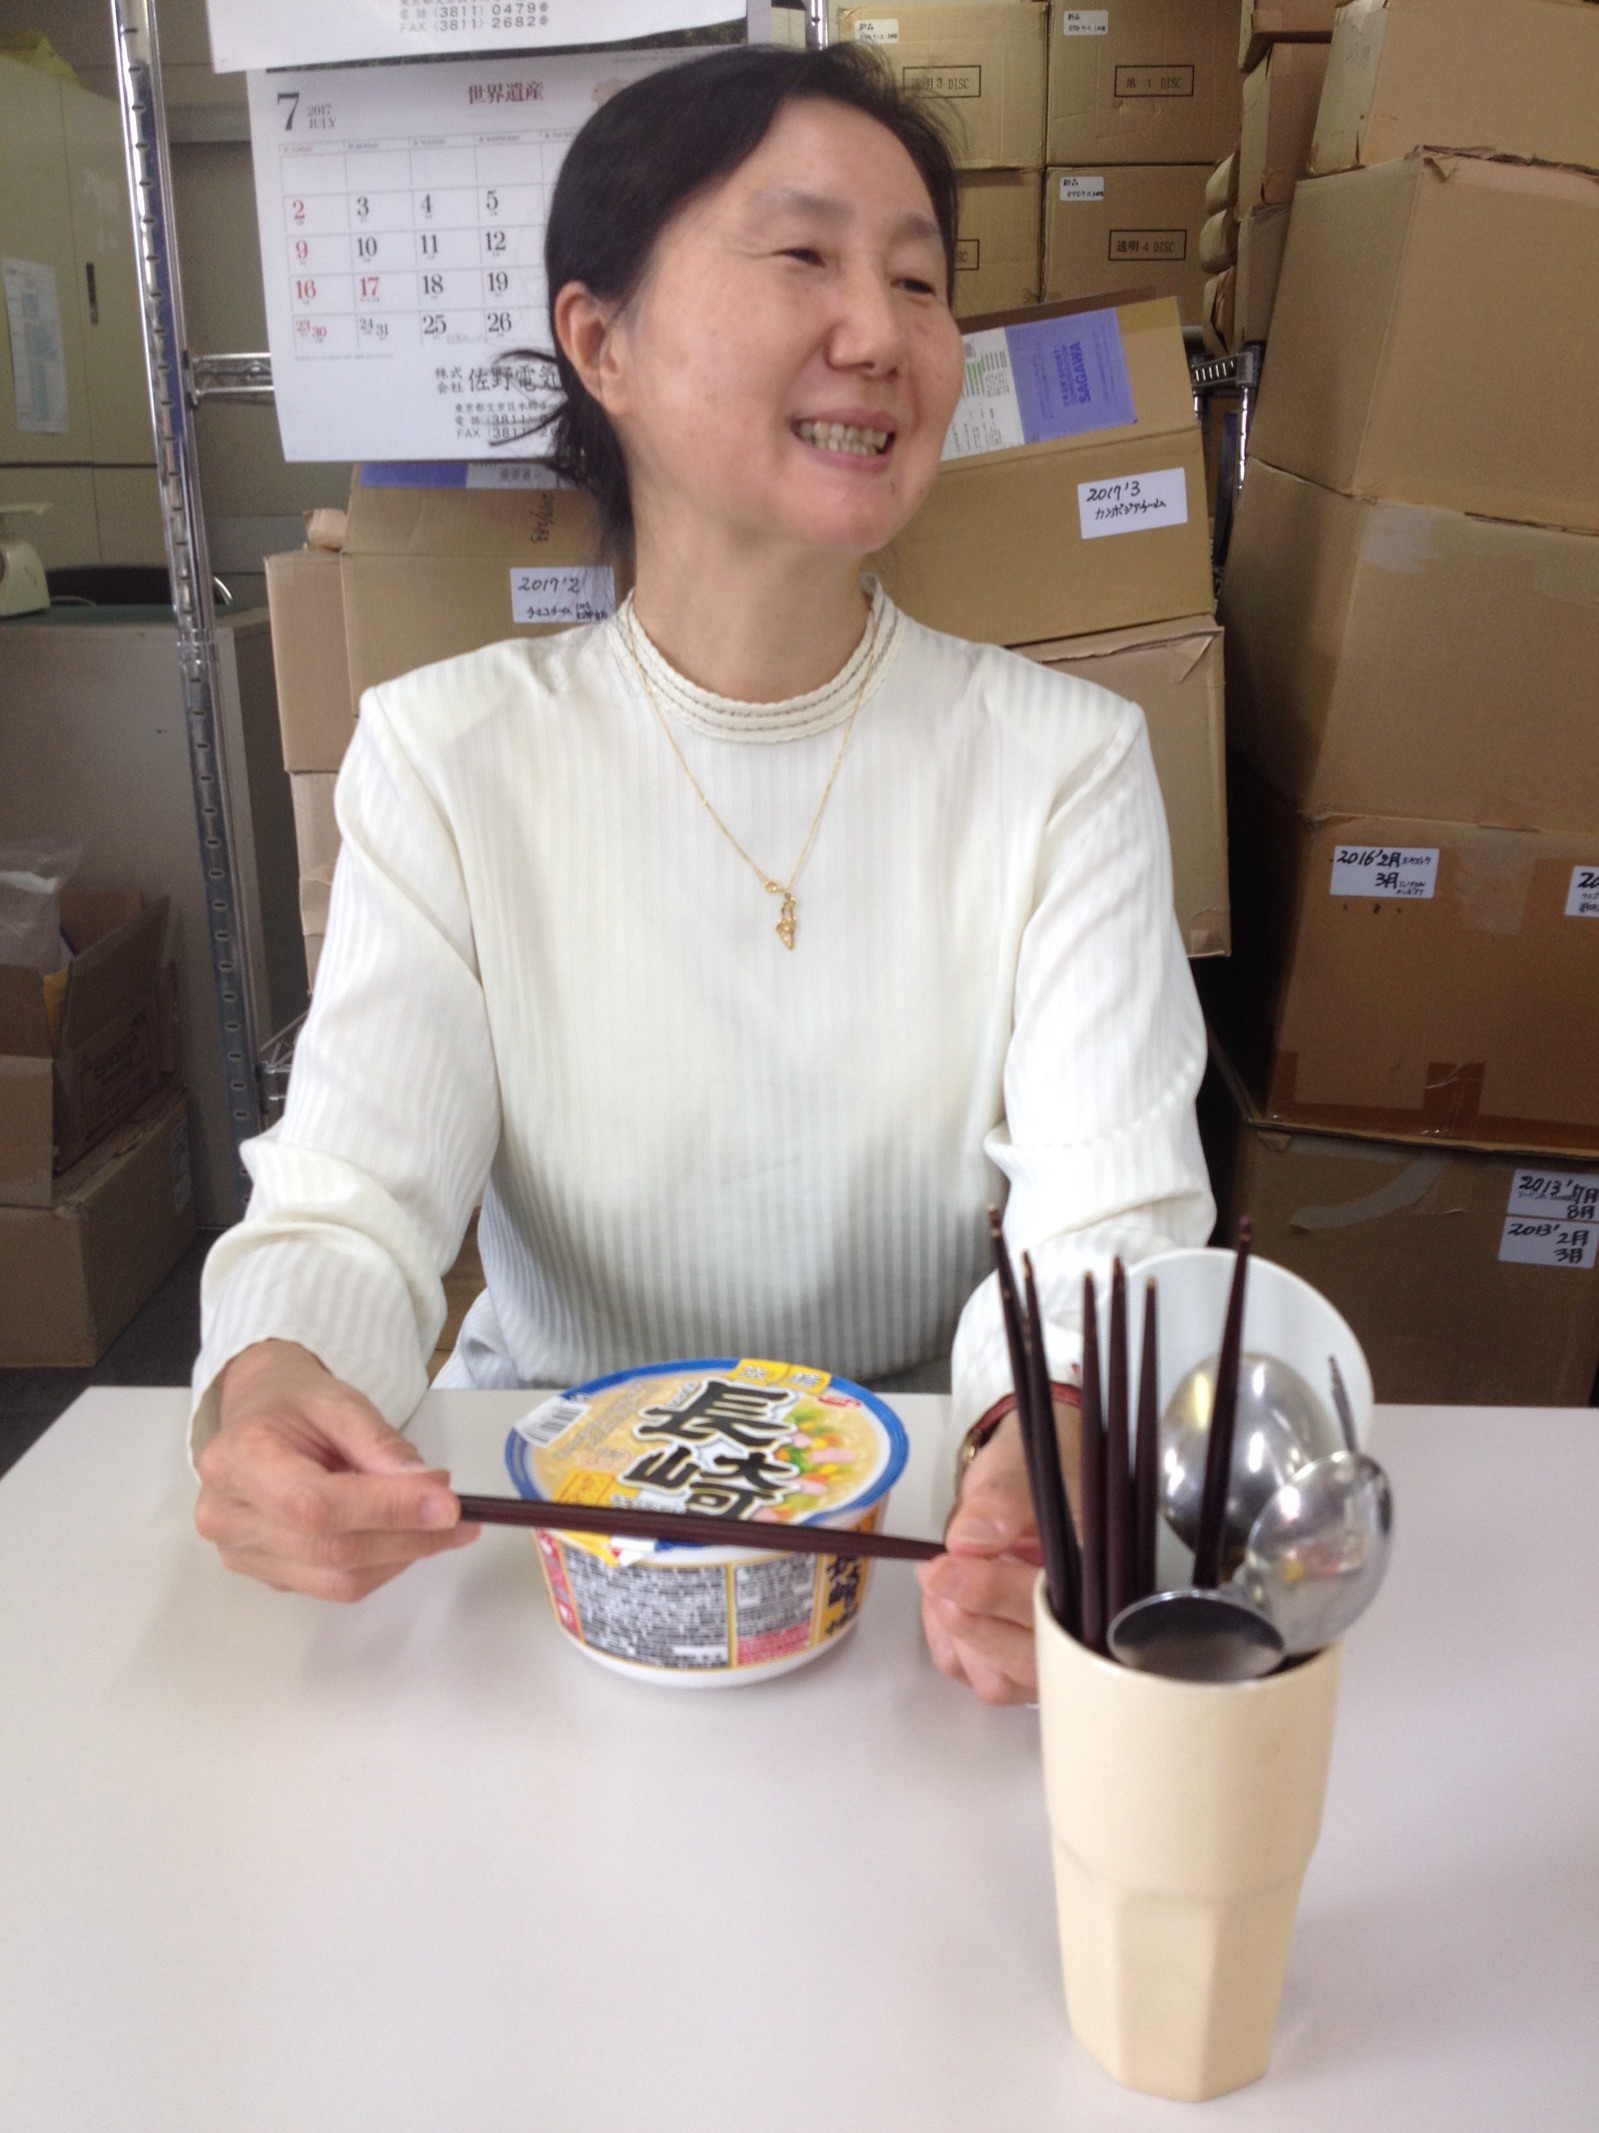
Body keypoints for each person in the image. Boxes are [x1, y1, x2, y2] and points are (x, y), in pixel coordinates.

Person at [192, 45, 1213, 1704]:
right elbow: (353, 1194)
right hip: (546, 1538)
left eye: (918, 281)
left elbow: (1107, 1222)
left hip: (924, 1545)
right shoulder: (448, 759)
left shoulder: (1062, 765)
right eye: (804, 254)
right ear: (600, 340)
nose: (879, 333)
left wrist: (1052, 1441)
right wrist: (272, 1378)